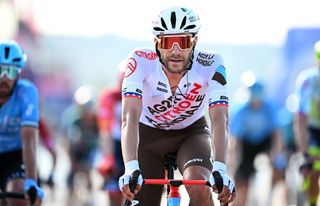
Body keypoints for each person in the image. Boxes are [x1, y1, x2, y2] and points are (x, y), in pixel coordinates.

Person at [118, 6, 236, 206]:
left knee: (200, 187)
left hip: (191, 134)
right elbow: (129, 117)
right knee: (139, 197)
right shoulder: (139, 60)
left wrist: (221, 169)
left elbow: (220, 119)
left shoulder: (212, 63)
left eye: (182, 42)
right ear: (156, 43)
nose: (175, 51)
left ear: (195, 41)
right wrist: (130, 167)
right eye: (167, 42)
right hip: (148, 135)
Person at [0, 40, 44, 205]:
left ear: (18, 74)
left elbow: (29, 140)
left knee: (18, 192)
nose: (4, 78)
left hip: (16, 156)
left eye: (10, 72)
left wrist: (31, 182)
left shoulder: (27, 92)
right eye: (0, 70)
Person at [229, 81, 287, 206]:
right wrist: (233, 158)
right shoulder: (240, 109)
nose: (256, 103)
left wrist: (275, 155)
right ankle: (239, 202)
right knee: (241, 177)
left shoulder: (270, 107)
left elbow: (277, 134)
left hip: (265, 140)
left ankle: (274, 197)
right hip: (247, 142)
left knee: (280, 168)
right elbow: (235, 139)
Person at [294, 40, 320, 206]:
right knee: (312, 171)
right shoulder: (307, 80)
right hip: (313, 130)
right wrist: (304, 155)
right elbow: (300, 121)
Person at [97, 69, 125, 206]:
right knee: (113, 188)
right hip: (115, 145)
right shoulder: (109, 96)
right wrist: (107, 159)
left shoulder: (147, 94)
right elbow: (105, 130)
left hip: (138, 145)